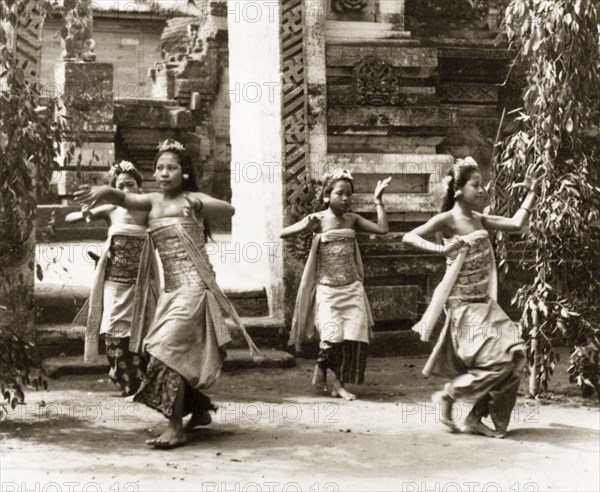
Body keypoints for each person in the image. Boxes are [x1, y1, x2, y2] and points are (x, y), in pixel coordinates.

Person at [74, 139, 257, 450]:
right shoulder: (151, 202)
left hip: (196, 289)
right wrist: (103, 192)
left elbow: (230, 208)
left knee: (163, 352)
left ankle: (175, 428)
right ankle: (198, 410)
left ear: (184, 173)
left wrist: (200, 206)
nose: (164, 172)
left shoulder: (192, 198)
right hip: (172, 292)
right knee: (160, 352)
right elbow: (122, 196)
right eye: (159, 167)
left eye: (172, 167)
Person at [402, 156, 538, 438]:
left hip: (485, 306)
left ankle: (476, 417)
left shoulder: (479, 219)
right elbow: (409, 237)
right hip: (464, 308)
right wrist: (442, 250)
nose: (481, 190)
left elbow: (516, 224)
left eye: (481, 185)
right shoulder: (448, 219)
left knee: (514, 359)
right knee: (498, 361)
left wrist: (533, 192)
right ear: (458, 190)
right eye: (475, 185)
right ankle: (450, 395)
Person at [283, 169, 391, 400]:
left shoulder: (352, 219)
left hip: (352, 290)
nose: (345, 198)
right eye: (340, 193)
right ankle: (322, 365)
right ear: (327, 195)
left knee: (353, 339)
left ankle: (339, 385)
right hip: (328, 291)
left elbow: (383, 229)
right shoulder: (319, 219)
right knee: (332, 337)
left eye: (349, 194)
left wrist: (378, 201)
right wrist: (305, 226)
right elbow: (283, 233)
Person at [68, 161, 158, 397]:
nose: (125, 189)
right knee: (114, 331)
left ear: (139, 186)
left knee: (143, 329)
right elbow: (71, 218)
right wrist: (85, 212)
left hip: (142, 281)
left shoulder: (149, 209)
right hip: (114, 283)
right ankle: (124, 379)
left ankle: (142, 382)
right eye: (120, 185)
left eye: (130, 184)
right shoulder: (110, 210)